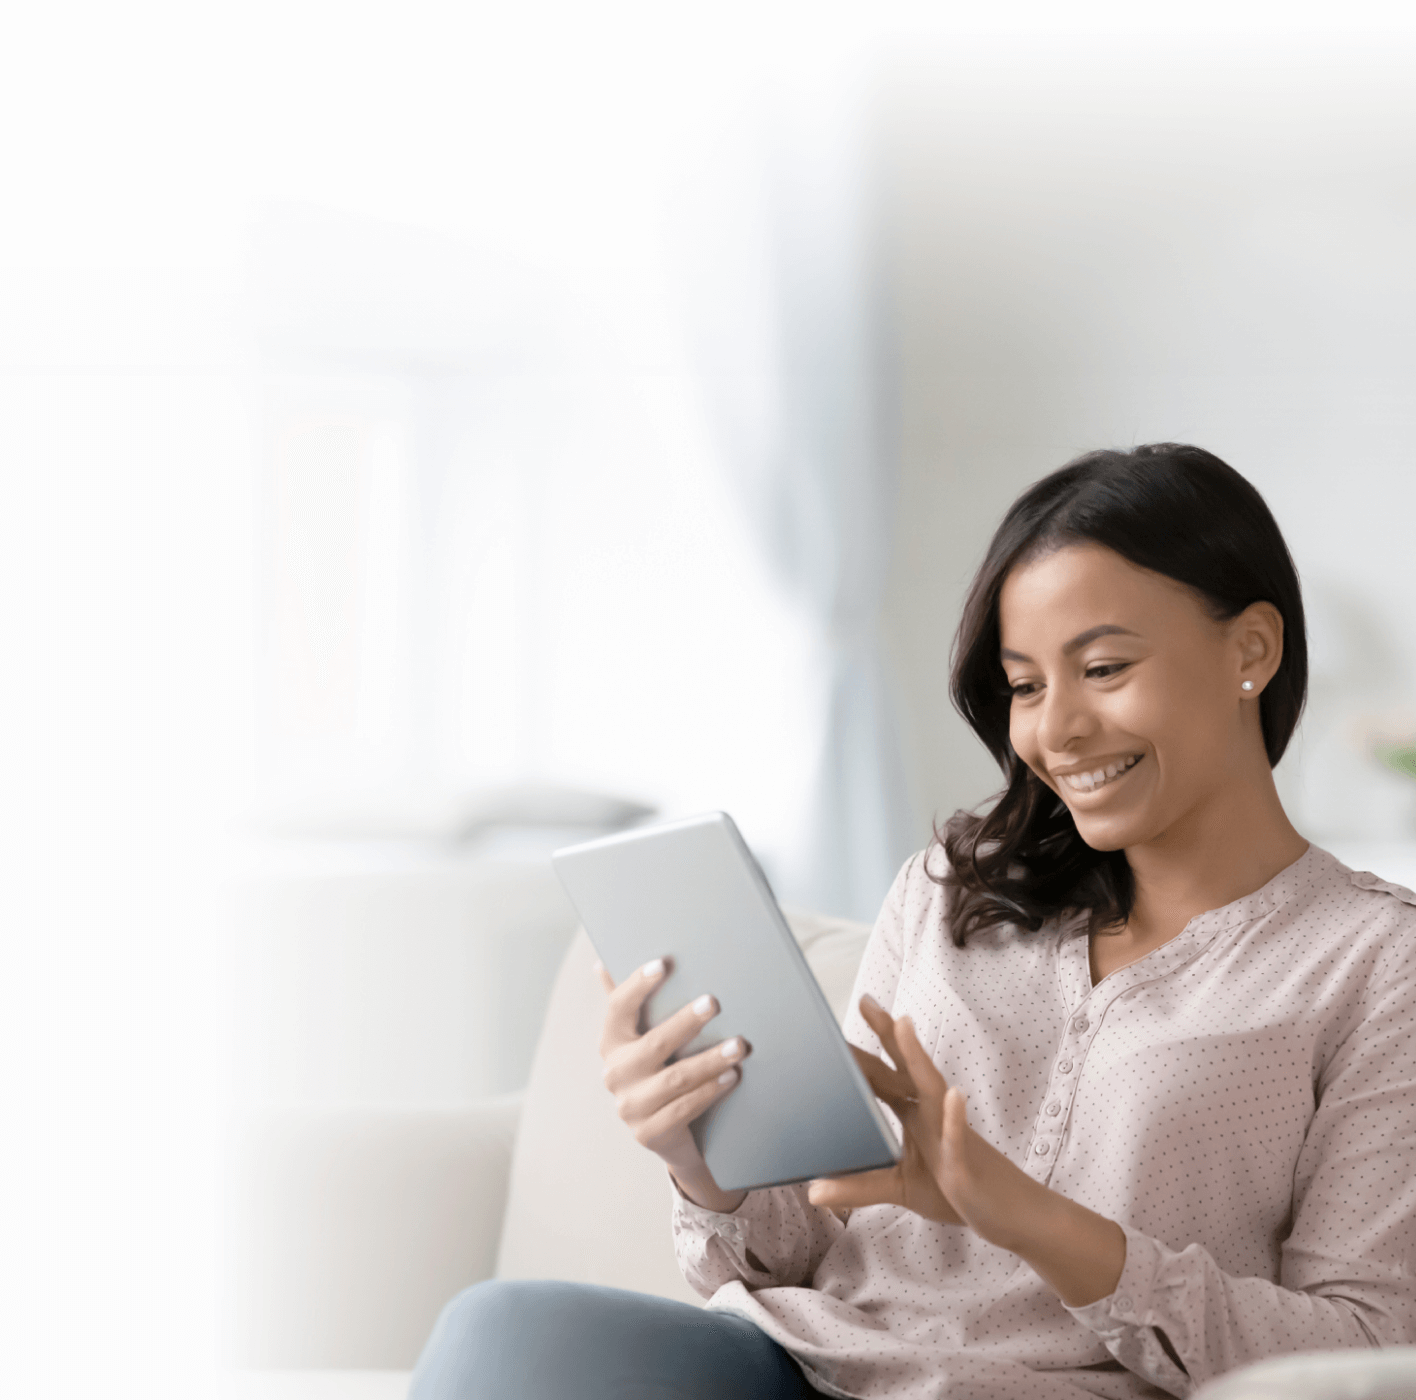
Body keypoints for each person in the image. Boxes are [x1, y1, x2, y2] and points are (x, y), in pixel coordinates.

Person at [410, 444, 1416, 1399]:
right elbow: (799, 1239)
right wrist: (699, 1158)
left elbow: (1362, 1350)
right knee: (506, 1328)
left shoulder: (1374, 964)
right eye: (1025, 684)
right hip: (802, 1367)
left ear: (1253, 647)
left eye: (1104, 668)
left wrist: (1027, 1217)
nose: (1055, 729)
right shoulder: (950, 889)